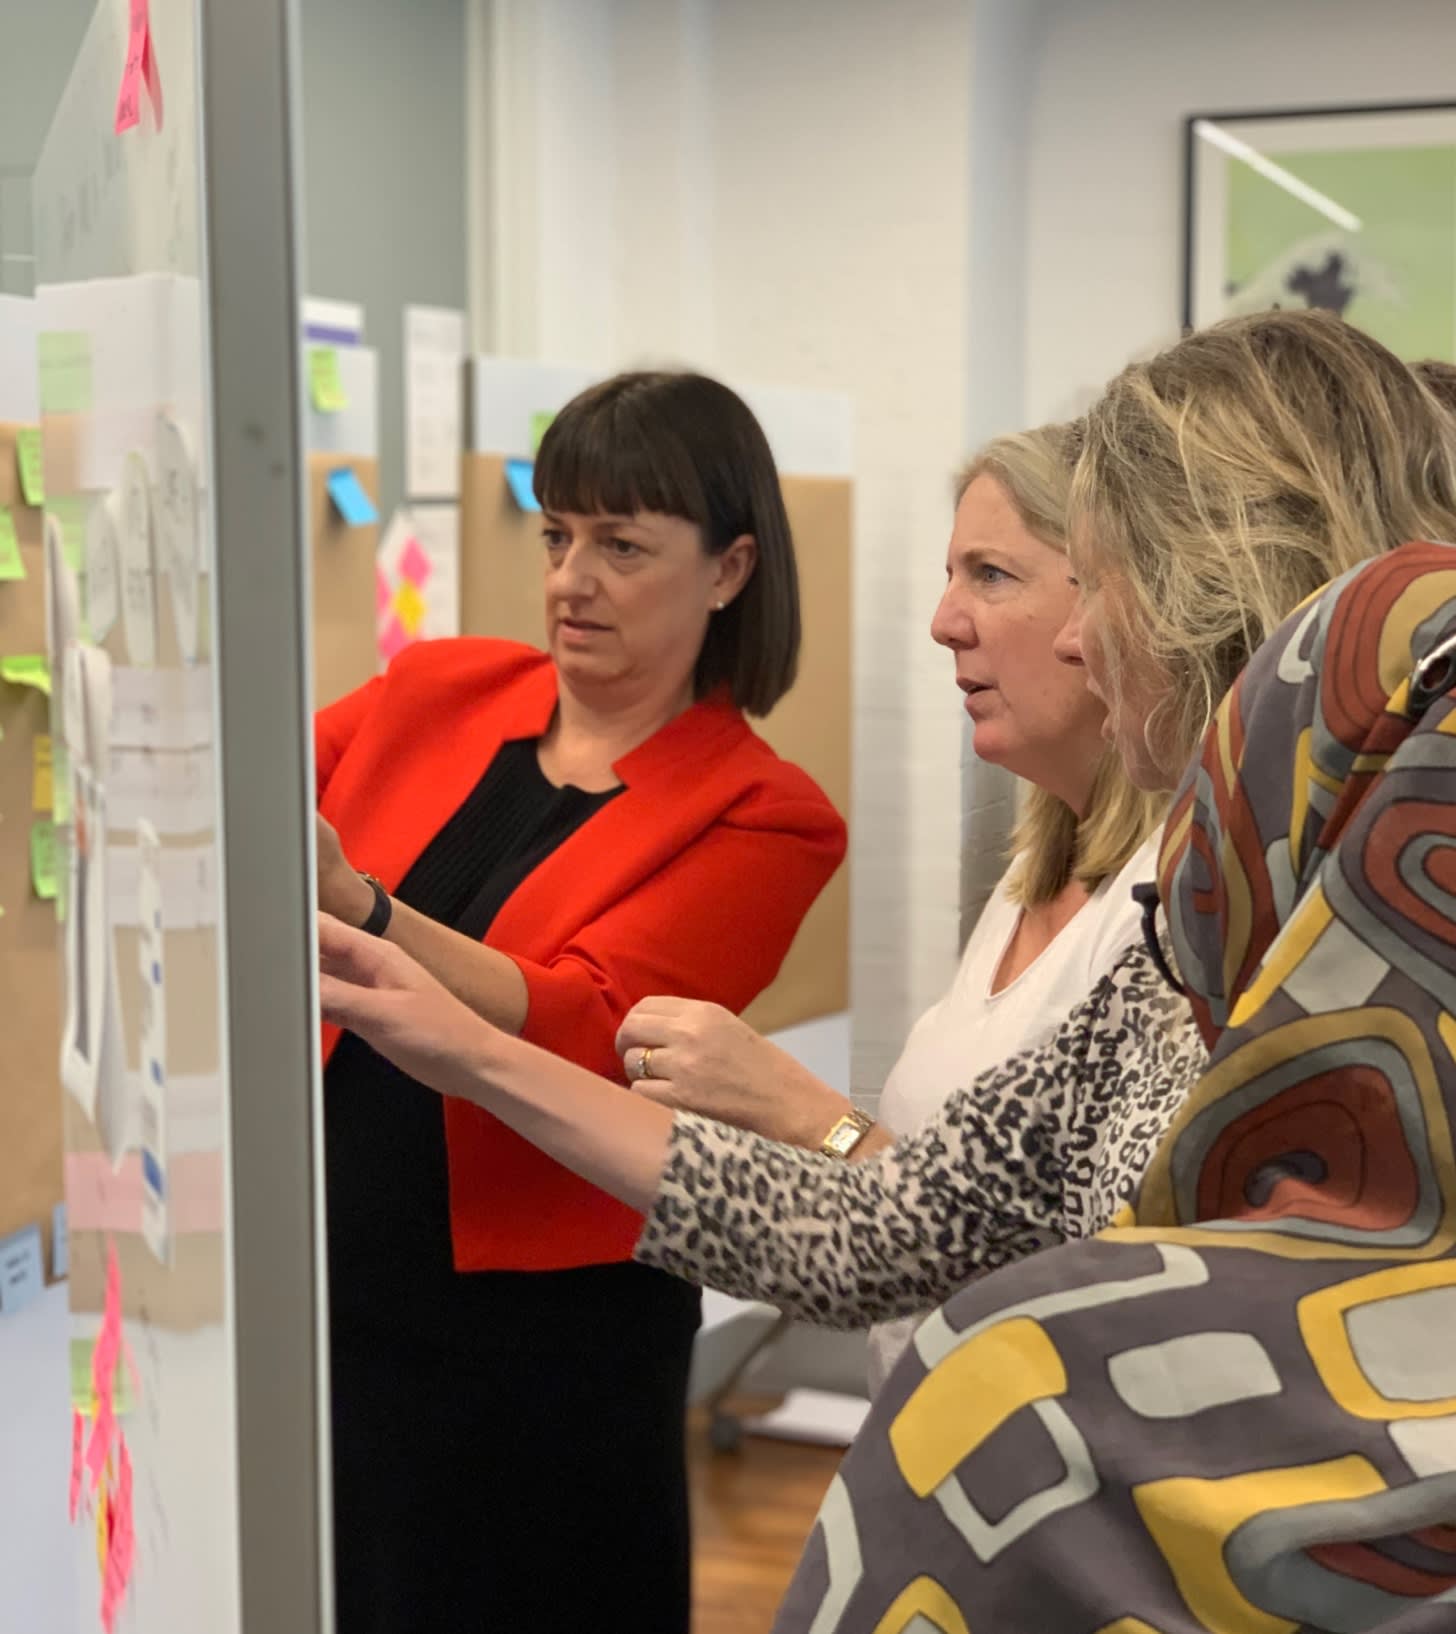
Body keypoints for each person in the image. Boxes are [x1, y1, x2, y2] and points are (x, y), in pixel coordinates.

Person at [315, 309, 1456, 1358]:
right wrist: (464, 1047)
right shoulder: (1182, 942)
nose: (1074, 640)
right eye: (558, 536)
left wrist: (806, 1116)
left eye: (1088, 585)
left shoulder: (1343, 953)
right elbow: (899, 1227)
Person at [771, 541, 1456, 1633]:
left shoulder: (1044, 1386)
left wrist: (811, 1116)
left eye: (1005, 572)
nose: (1070, 637)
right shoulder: (1041, 883)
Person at [313, 370, 846, 1634]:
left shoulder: (764, 809)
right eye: (556, 535)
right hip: (339, 1264)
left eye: (621, 544)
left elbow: (593, 1018)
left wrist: (371, 910)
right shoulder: (438, 688)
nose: (570, 578)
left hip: (541, 1323)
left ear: (730, 569)